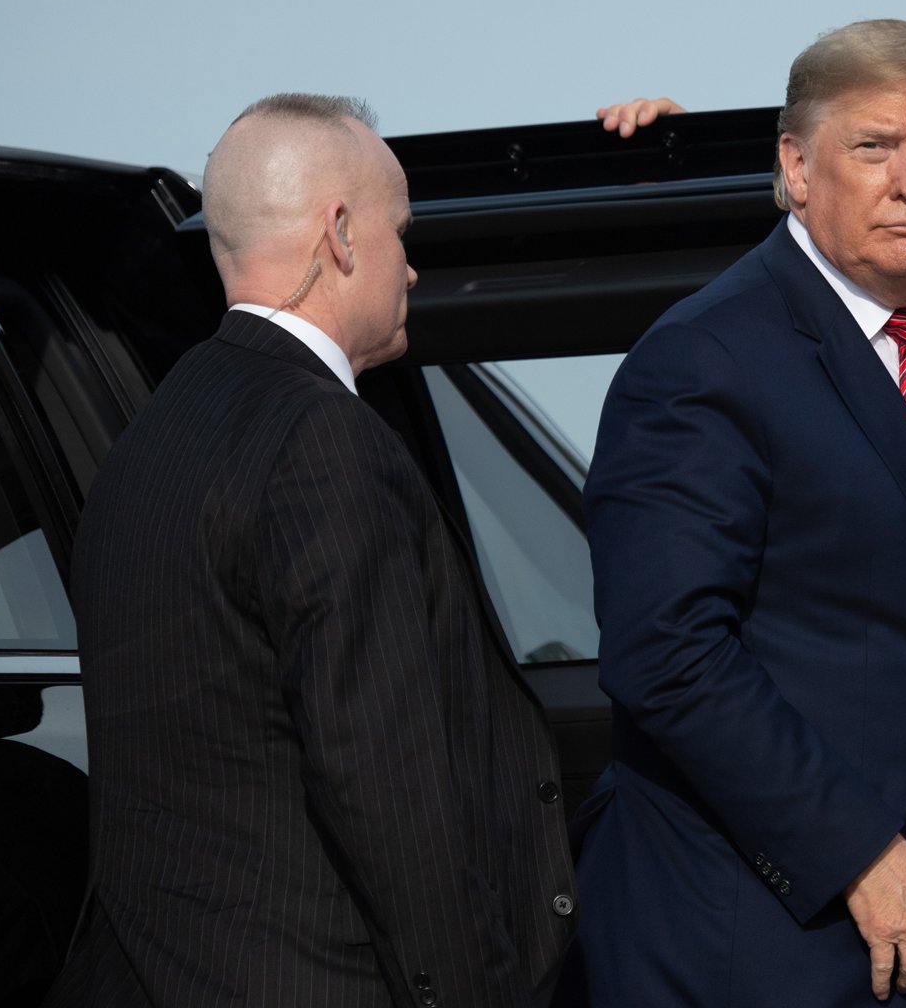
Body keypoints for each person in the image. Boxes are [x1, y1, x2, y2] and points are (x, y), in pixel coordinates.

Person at [576, 20, 906, 1007]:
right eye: (874, 147)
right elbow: (667, 651)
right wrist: (860, 857)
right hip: (761, 954)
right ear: (797, 166)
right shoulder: (707, 359)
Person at [49, 93, 576, 1007]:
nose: (411, 268)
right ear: (339, 233)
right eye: (400, 232)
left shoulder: (145, 444)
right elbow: (388, 788)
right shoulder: (324, 442)